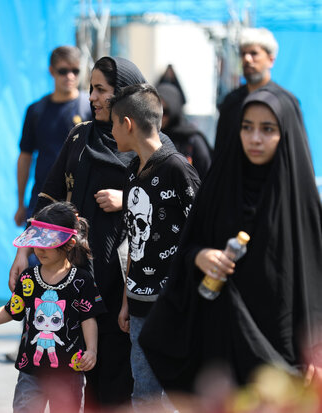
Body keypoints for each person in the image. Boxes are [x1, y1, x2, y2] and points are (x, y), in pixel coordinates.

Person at [9, 56, 174, 408]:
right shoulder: (81, 135)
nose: (93, 97)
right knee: (71, 376)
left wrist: (127, 197)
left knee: (117, 376)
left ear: (124, 95)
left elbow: (171, 204)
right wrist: (23, 252)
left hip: (125, 282)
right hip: (78, 279)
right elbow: (48, 198)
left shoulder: (151, 145)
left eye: (101, 89)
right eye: (91, 88)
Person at [138, 87, 322, 398]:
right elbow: (189, 244)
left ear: (286, 133)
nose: (255, 139)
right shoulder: (221, 186)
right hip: (222, 340)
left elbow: (316, 280)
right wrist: (200, 256)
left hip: (281, 345)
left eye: (268, 129)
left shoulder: (299, 203)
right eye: (247, 127)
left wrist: (315, 349)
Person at [0, 202, 105, 413]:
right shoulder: (28, 278)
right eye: (36, 240)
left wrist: (92, 351)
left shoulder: (82, 281)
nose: (39, 248)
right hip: (30, 373)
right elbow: (11, 310)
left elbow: (89, 318)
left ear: (69, 244)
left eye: (47, 242)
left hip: (68, 374)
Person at [110, 83, 200, 409]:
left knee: (179, 396)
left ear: (128, 124)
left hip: (174, 306)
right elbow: (135, 242)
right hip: (138, 305)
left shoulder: (178, 169)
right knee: (143, 396)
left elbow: (202, 236)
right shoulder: (132, 173)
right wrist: (125, 301)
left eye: (113, 123)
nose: (111, 131)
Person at [15, 45, 92, 227]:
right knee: (36, 252)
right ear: (52, 71)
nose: (70, 76)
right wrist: (20, 204)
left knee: (75, 253)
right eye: (63, 71)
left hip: (79, 198)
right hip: (44, 197)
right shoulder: (36, 111)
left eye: (75, 70)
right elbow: (25, 157)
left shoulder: (89, 109)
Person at [214, 27, 301, 157]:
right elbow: (220, 151)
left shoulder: (285, 102)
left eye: (254, 53)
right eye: (243, 54)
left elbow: (295, 155)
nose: (247, 59)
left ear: (271, 60)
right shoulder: (231, 101)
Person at [157, 82, 212, 178]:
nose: (160, 117)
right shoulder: (151, 137)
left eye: (165, 112)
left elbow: (207, 175)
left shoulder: (192, 139)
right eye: (156, 112)